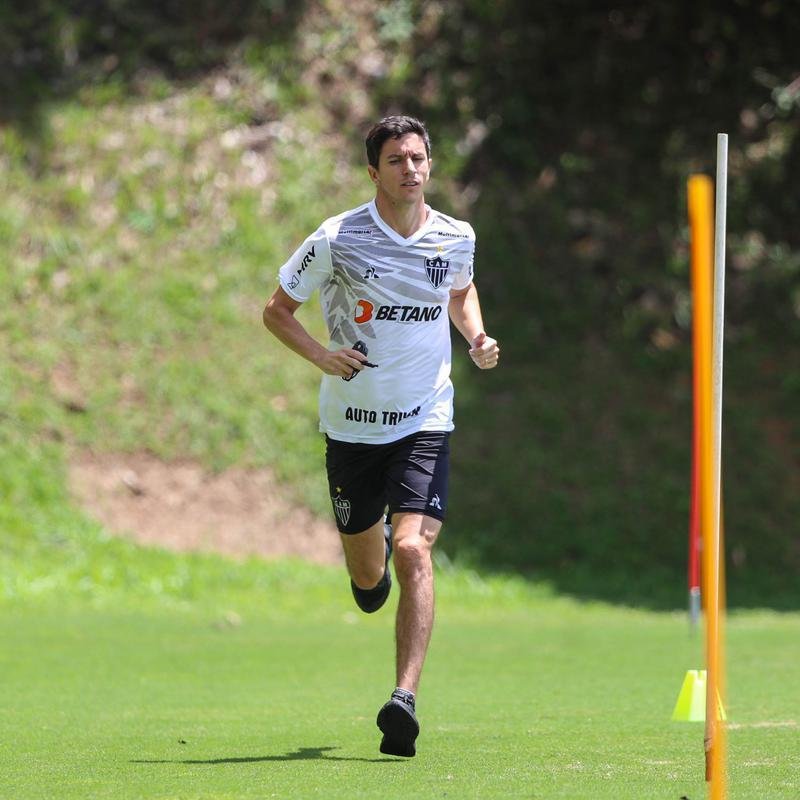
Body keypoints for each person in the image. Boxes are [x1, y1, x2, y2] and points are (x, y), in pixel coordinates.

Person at [262, 115, 499, 758]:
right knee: (370, 582)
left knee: (414, 548)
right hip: (350, 427)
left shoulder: (455, 236)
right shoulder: (337, 238)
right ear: (374, 172)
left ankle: (404, 699)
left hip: (425, 419)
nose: (411, 169)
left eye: (419, 157)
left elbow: (461, 288)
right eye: (396, 159)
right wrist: (320, 355)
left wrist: (475, 336)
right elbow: (277, 311)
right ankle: (372, 586)